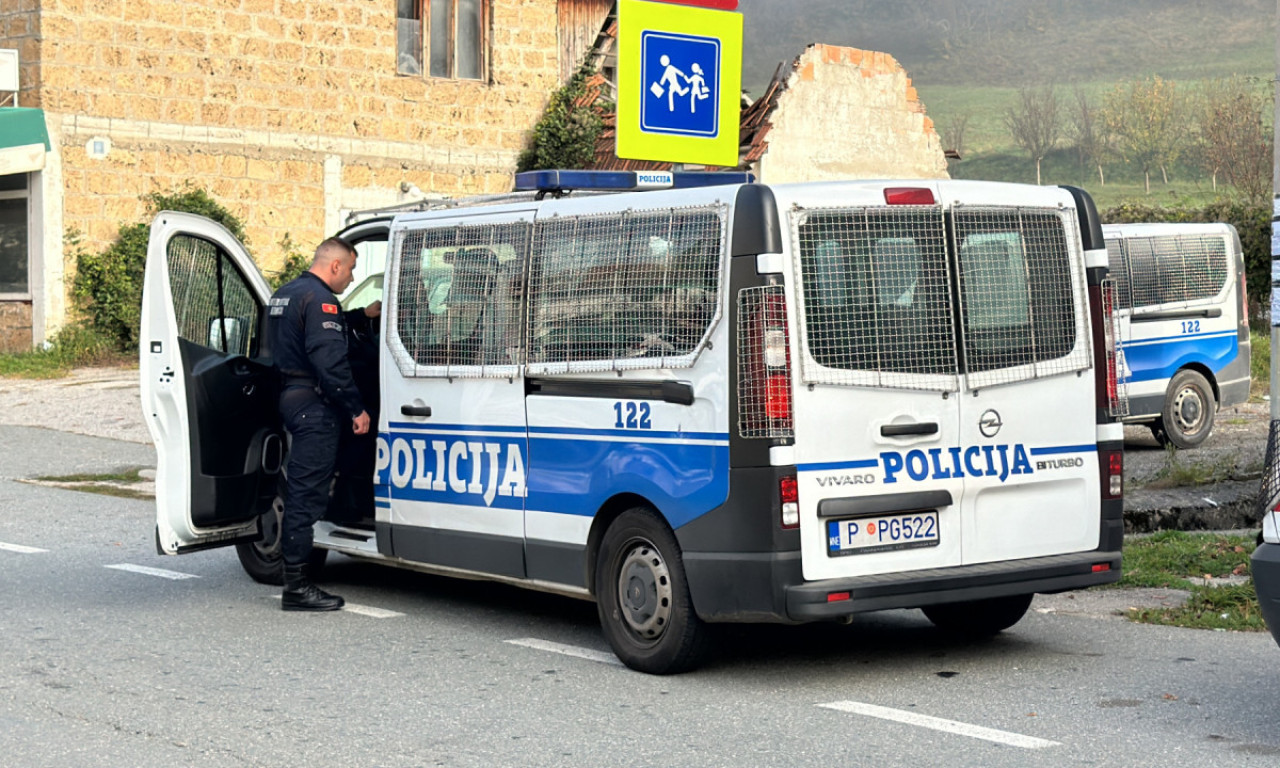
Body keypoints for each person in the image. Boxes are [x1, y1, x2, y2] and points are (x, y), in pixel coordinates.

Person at [267, 237, 370, 612]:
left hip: (291, 397)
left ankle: (297, 577)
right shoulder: (323, 299)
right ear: (336, 266)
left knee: (302, 487)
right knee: (306, 494)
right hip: (315, 405)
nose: (351, 277)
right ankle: (296, 586)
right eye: (352, 269)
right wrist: (355, 407)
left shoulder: (287, 293)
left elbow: (304, 333)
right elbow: (329, 359)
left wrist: (360, 318)